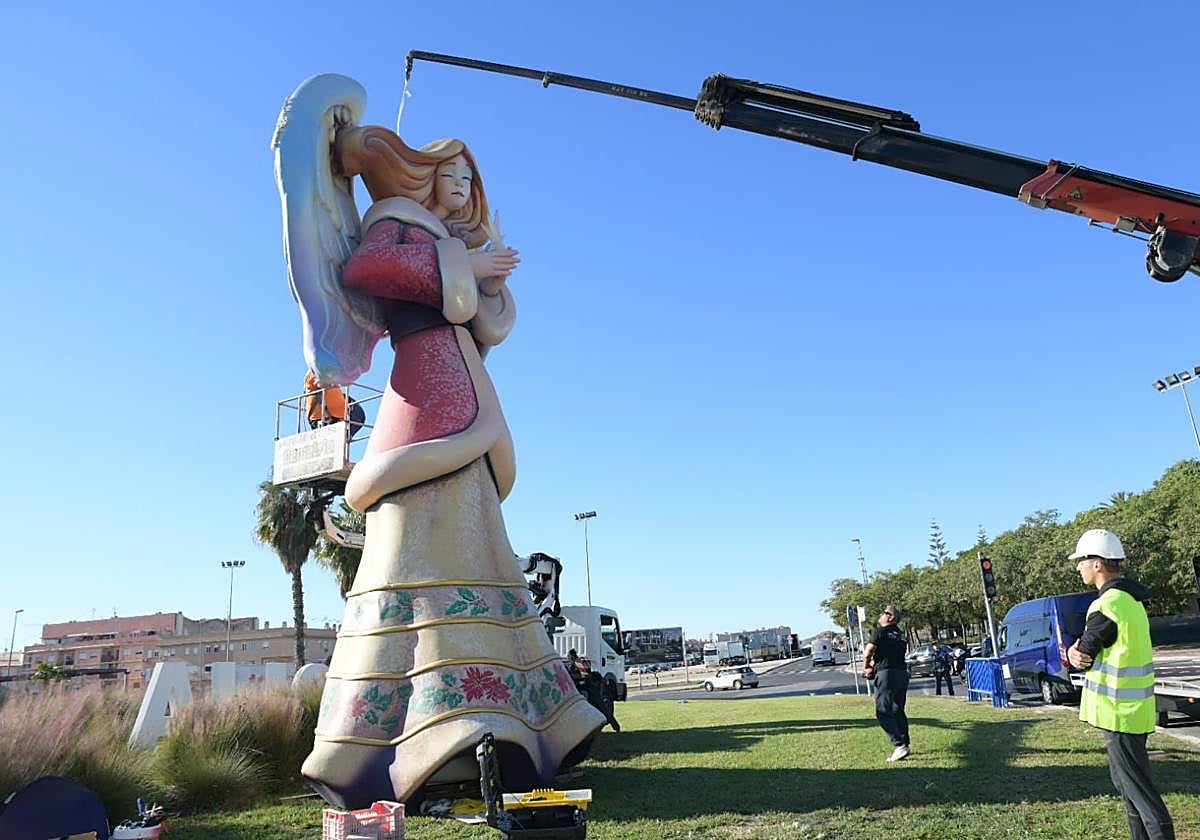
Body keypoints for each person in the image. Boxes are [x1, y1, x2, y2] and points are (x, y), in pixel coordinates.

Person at [287, 114, 607, 806]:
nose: (462, 186)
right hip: (423, 396)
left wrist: (482, 272)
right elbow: (365, 268)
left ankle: (523, 725)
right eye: (451, 173)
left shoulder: (450, 237)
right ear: (424, 172)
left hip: (466, 393)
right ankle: (404, 741)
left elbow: (490, 324)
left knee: (481, 538)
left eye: (470, 178)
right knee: (410, 537)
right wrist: (462, 267)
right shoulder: (396, 217)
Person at [1067, 529, 1174, 840]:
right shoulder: (1131, 602)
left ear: (1098, 563)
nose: (1079, 567)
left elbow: (1083, 655)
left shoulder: (1107, 605)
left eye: (1082, 560)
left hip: (1119, 714)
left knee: (1142, 795)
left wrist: (1075, 652)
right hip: (1131, 712)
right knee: (1129, 790)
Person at [862, 604, 910, 762]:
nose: (880, 615)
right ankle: (905, 743)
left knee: (883, 711)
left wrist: (867, 666)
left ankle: (898, 744)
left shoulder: (879, 631)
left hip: (886, 674)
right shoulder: (901, 635)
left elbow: (868, 651)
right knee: (898, 710)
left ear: (891, 617)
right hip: (902, 673)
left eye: (884, 612)